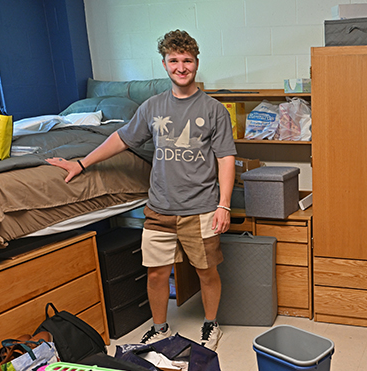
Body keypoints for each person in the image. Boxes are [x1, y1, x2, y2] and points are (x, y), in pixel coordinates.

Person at [46, 30, 236, 351]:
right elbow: (121, 139)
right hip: (159, 210)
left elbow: (226, 157)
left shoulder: (213, 109)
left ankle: (210, 324)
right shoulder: (152, 107)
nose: (181, 66)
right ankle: (160, 328)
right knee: (156, 275)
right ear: (164, 64)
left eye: (187, 60)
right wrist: (81, 164)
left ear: (196, 63)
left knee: (206, 273)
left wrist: (224, 205)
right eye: (174, 60)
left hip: (201, 208)